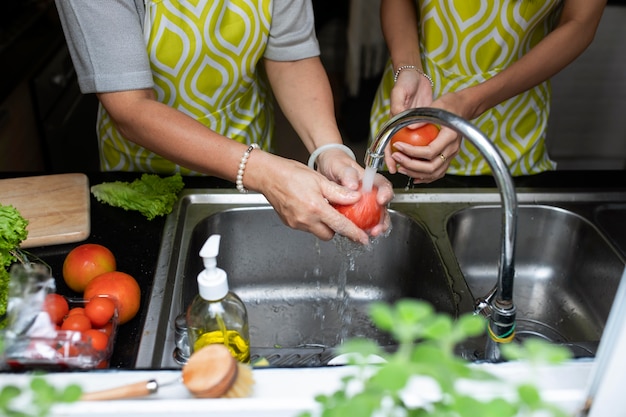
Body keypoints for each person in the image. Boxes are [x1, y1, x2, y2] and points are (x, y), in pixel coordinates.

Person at [54, 0, 393, 245]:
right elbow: (130, 107)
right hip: (142, 174)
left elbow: (292, 58)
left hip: (253, 156)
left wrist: (330, 150)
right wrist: (262, 171)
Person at [370, 0, 607, 183]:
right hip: (406, 105)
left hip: (510, 132)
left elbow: (580, 23)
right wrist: (409, 67)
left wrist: (470, 102)